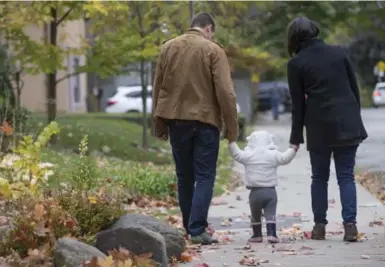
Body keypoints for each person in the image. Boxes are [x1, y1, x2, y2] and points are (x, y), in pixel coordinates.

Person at [152, 12, 238, 245]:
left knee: (184, 176)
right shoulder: (213, 50)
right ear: (208, 28)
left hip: (176, 120)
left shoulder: (168, 48)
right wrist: (232, 129)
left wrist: (158, 124)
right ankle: (198, 229)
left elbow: (158, 87)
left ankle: (190, 227)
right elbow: (226, 92)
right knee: (205, 175)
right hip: (205, 121)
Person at [286, 17, 368, 242]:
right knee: (346, 176)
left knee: (319, 177)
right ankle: (350, 226)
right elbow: (354, 89)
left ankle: (319, 227)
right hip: (346, 123)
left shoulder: (296, 64)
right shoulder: (339, 52)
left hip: (318, 125)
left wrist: (296, 138)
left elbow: (298, 105)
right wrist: (353, 118)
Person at [228, 131, 297, 243]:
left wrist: (231, 142)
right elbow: (285, 158)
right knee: (271, 214)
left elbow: (237, 154)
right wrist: (293, 149)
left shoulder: (248, 155)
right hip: (270, 192)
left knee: (255, 214)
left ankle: (257, 234)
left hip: (255, 193)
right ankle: (272, 234)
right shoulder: (273, 155)